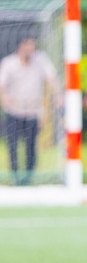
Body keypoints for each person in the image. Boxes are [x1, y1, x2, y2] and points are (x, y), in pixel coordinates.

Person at [0, 36, 58, 186]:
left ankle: (28, 177)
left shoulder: (40, 60)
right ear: (20, 45)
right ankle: (15, 177)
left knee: (31, 145)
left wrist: (58, 95)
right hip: (14, 110)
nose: (31, 49)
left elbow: (51, 79)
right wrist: (5, 98)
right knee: (12, 145)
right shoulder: (9, 63)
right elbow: (2, 85)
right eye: (28, 45)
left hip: (33, 111)